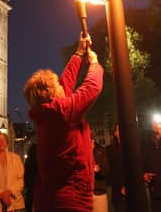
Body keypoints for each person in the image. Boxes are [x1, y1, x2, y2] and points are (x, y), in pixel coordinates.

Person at [23, 33, 103, 212]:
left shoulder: (48, 115)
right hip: (71, 201)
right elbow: (91, 88)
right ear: (51, 95)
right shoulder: (61, 114)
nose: (61, 86)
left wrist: (79, 53)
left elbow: (65, 84)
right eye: (56, 86)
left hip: (53, 200)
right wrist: (95, 64)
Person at [106, 125, 126, 212]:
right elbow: (108, 169)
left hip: (131, 186)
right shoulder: (109, 150)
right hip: (116, 187)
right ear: (115, 133)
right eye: (118, 129)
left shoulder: (134, 147)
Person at [93, 138, 109, 212]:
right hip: (84, 193)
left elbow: (106, 170)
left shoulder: (100, 150)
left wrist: (98, 169)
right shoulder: (79, 149)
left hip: (99, 191)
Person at [23, 143, 37, 212]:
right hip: (37, 188)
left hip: (30, 189)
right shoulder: (40, 162)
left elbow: (26, 176)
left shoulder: (28, 162)